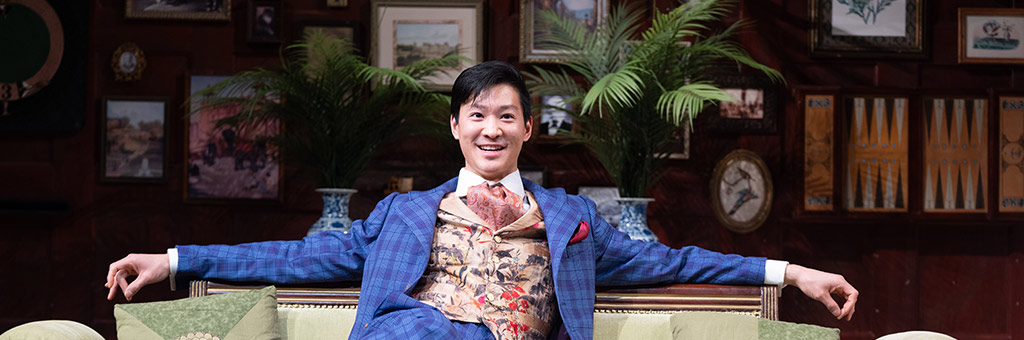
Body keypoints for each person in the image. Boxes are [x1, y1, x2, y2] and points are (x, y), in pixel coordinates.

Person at [106, 61, 857, 340]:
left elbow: (680, 263)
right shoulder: (402, 214)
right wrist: (173, 260)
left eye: (506, 115)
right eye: (477, 115)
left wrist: (793, 273)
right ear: (456, 127)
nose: (491, 128)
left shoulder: (573, 221)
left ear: (527, 128)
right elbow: (296, 258)